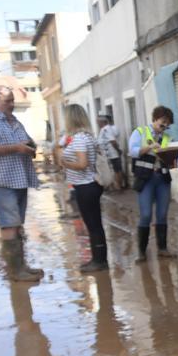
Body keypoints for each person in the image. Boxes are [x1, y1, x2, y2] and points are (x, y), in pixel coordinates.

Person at [0, 84, 42, 282]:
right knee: (9, 225)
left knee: (17, 224)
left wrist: (29, 146)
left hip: (20, 179)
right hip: (2, 180)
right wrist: (16, 148)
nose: (12, 104)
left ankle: (21, 266)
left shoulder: (14, 121)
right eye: (7, 101)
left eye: (13, 100)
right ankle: (15, 271)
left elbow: (26, 141)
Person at [60, 105, 109, 272]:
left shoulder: (80, 139)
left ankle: (99, 261)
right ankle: (98, 258)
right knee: (94, 224)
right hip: (90, 184)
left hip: (86, 185)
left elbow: (82, 164)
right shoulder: (87, 136)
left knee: (93, 224)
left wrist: (65, 163)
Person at [129, 106, 176, 262]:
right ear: (155, 119)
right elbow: (132, 151)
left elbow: (168, 159)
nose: (164, 127)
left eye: (167, 125)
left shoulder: (166, 137)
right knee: (146, 214)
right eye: (162, 123)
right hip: (145, 179)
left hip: (162, 179)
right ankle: (141, 252)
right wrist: (150, 147)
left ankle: (162, 249)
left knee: (162, 214)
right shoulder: (140, 132)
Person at [97, 112, 124, 190]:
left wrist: (118, 150)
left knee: (116, 170)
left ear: (103, 122)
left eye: (98, 122)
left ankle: (118, 187)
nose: (98, 123)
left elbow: (113, 141)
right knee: (115, 170)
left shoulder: (106, 129)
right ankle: (115, 186)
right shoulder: (105, 129)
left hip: (112, 154)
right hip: (109, 154)